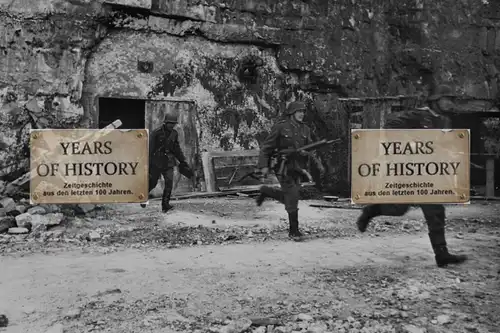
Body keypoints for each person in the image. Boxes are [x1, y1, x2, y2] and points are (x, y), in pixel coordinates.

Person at [356, 84, 468, 268]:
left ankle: (442, 255)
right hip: (410, 171)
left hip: (430, 173)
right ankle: (371, 211)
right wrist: (411, 142)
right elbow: (390, 126)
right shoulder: (419, 115)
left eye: (451, 100)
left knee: (436, 212)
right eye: (446, 99)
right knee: (399, 208)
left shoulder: (445, 121)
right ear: (435, 100)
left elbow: (443, 144)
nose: (449, 103)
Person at [256, 101, 325, 240]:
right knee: (292, 195)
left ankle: (267, 191)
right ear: (292, 113)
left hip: (298, 167)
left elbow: (310, 147)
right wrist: (263, 166)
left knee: (291, 195)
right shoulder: (281, 127)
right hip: (283, 165)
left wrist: (309, 155)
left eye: (303, 112)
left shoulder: (305, 129)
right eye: (299, 111)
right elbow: (266, 148)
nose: (301, 114)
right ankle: (294, 231)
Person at [141, 114, 193, 212]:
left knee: (169, 184)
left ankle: (165, 205)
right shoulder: (156, 133)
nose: (172, 125)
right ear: (165, 122)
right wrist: (147, 163)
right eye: (170, 123)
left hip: (169, 162)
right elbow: (149, 149)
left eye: (173, 124)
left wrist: (183, 161)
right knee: (152, 183)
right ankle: (143, 197)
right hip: (156, 162)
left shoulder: (174, 133)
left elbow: (176, 149)